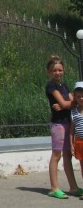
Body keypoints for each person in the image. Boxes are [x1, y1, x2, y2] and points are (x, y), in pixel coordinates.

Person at [45, 55, 82, 199]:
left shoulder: (64, 86)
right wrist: (66, 104)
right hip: (58, 124)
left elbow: (72, 102)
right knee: (57, 155)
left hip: (67, 122)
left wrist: (66, 104)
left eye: (60, 70)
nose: (57, 73)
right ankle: (54, 188)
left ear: (63, 71)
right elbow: (68, 103)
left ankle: (73, 187)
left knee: (67, 156)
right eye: (54, 70)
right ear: (49, 72)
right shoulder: (51, 86)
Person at [71, 82, 83, 173]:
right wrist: (71, 145)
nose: (81, 98)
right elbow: (71, 131)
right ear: (74, 97)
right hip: (79, 142)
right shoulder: (73, 112)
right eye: (78, 96)